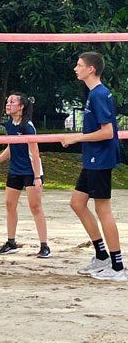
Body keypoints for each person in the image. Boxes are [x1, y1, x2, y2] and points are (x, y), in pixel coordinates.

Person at [61, 52, 125, 282]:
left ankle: (117, 266)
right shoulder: (93, 94)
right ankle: (101, 256)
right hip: (92, 158)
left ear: (91, 69)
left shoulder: (99, 94)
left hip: (101, 158)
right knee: (77, 203)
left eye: (79, 65)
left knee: (103, 209)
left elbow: (108, 131)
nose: (75, 68)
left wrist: (77, 138)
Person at [0, 93, 51, 258]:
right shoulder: (10, 126)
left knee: (35, 207)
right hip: (15, 171)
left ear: (21, 107)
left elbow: (35, 153)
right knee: (9, 205)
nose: (8, 104)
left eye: (12, 102)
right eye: (7, 101)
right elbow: (10, 148)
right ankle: (11, 242)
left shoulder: (28, 127)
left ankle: (44, 246)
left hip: (30, 171)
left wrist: (36, 178)